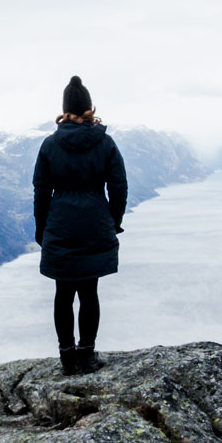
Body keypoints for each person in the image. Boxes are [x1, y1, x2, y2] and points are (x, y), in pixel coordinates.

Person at [33, 75, 127, 375]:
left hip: (60, 225)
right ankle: (87, 355)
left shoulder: (49, 145)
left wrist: (42, 230)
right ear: (89, 108)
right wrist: (113, 221)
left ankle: (66, 357)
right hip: (95, 225)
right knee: (89, 292)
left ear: (65, 109)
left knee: (63, 293)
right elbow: (119, 186)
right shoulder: (106, 143)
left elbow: (40, 191)